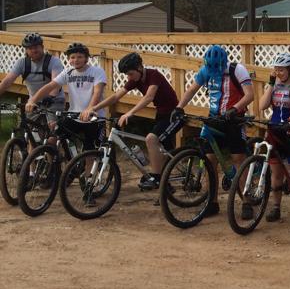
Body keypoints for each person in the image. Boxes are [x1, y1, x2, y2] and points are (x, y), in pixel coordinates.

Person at [172, 45, 254, 218]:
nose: (214, 69)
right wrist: (179, 107)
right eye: (211, 66)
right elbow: (192, 90)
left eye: (217, 66)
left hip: (234, 120)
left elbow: (249, 95)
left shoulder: (237, 70)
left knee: (238, 159)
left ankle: (246, 203)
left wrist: (235, 108)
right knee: (209, 161)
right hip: (214, 119)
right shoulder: (206, 70)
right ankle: (212, 202)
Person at [86, 52, 181, 190]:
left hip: (174, 115)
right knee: (162, 150)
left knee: (151, 139)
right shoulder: (135, 79)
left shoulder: (154, 75)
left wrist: (129, 113)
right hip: (161, 114)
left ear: (140, 68)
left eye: (130, 73)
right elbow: (116, 97)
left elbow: (149, 97)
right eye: (127, 75)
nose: (129, 77)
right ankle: (165, 185)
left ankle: (157, 178)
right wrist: (94, 107)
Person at [27, 42, 107, 151]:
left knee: (90, 151)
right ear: (69, 59)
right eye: (72, 57)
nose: (76, 60)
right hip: (74, 116)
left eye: (80, 57)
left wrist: (89, 109)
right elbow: (50, 86)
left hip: (94, 118)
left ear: (86, 58)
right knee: (52, 140)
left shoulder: (97, 71)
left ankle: (84, 160)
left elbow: (97, 92)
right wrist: (32, 100)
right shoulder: (68, 72)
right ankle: (61, 161)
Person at [258, 52, 290, 224]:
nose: (278, 73)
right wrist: (271, 84)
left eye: (281, 70)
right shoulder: (275, 84)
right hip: (275, 130)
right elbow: (262, 105)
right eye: (276, 69)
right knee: (276, 172)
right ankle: (276, 207)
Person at [0, 32, 65, 133]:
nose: (34, 50)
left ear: (42, 47)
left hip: (54, 101)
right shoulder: (22, 63)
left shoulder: (54, 61)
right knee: (30, 134)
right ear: (26, 50)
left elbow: (55, 85)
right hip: (33, 102)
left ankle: (53, 141)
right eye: (30, 48)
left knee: (52, 133)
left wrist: (50, 97)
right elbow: (7, 82)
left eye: (36, 47)